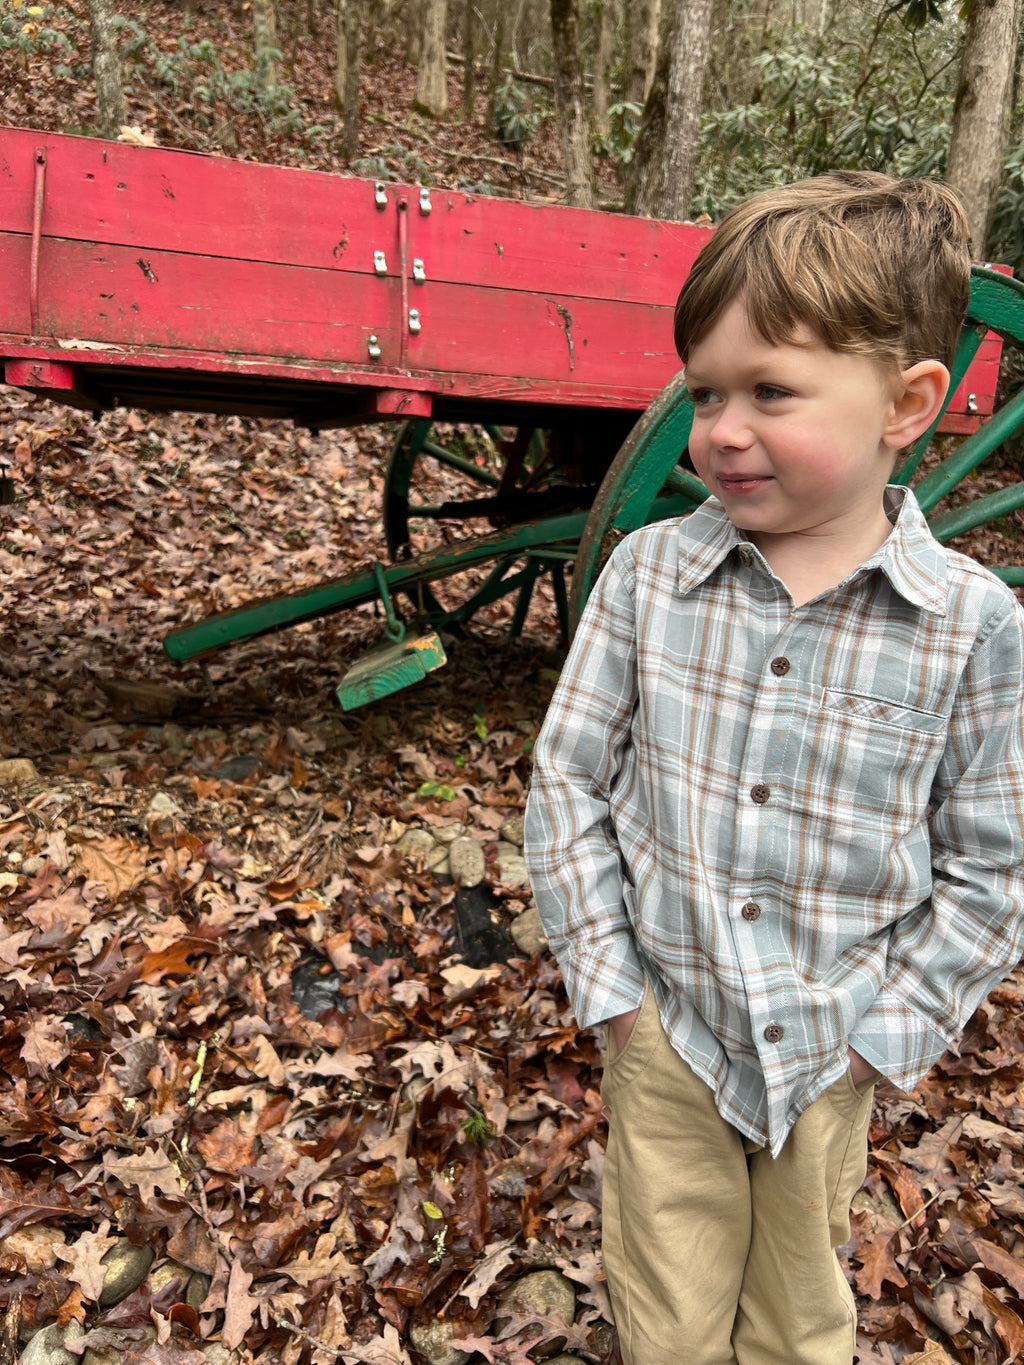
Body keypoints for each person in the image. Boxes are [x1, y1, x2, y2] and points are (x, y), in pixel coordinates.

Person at [523, 171, 1024, 1365]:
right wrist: (614, 999)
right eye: (704, 392)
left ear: (907, 403)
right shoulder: (650, 579)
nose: (722, 430)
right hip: (668, 1036)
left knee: (798, 1319)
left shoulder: (970, 627)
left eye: (771, 391)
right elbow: (569, 783)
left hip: (829, 1048)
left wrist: (882, 1037)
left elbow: (992, 865)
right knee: (665, 1313)